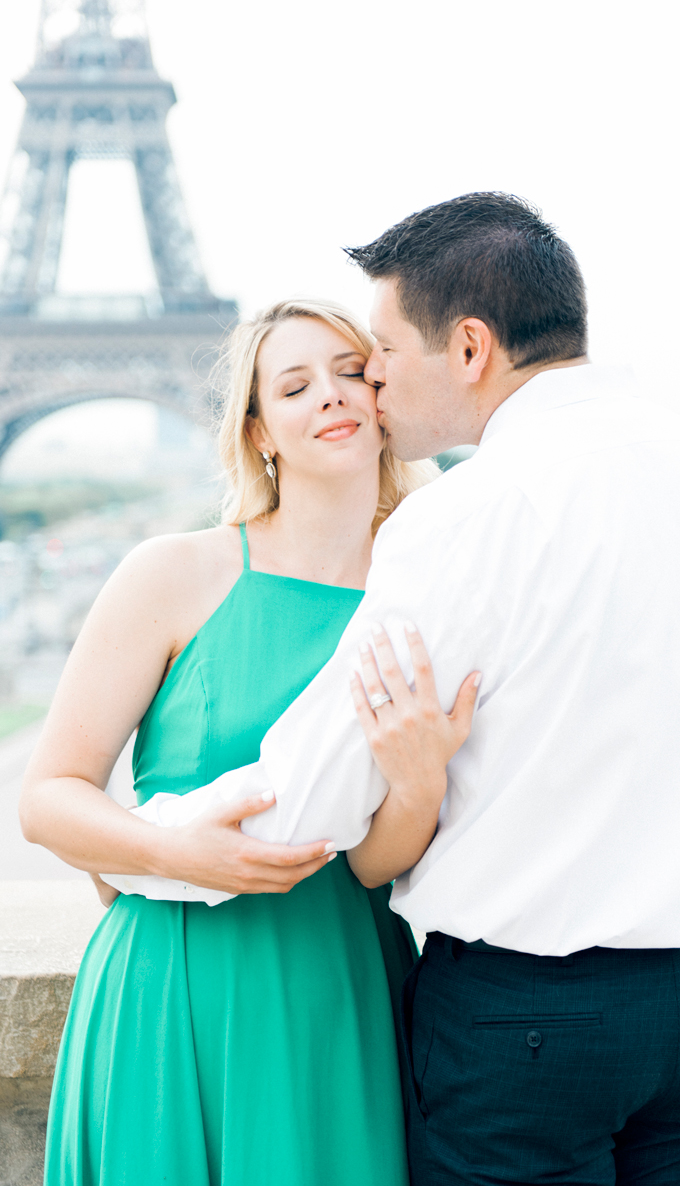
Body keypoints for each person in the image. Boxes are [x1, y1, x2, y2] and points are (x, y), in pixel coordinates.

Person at [168, 193, 680, 1185]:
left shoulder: (465, 518)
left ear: (469, 348)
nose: (373, 377)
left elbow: (309, 798)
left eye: (383, 349)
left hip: (527, 1021)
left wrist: (133, 847)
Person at [19, 299, 480, 1186]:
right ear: (259, 431)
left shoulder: (429, 594)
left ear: (385, 399)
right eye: (295, 386)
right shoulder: (172, 573)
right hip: (170, 985)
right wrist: (171, 852)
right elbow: (47, 798)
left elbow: (373, 865)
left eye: (351, 373)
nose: (331, 396)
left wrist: (419, 786)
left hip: (338, 985)